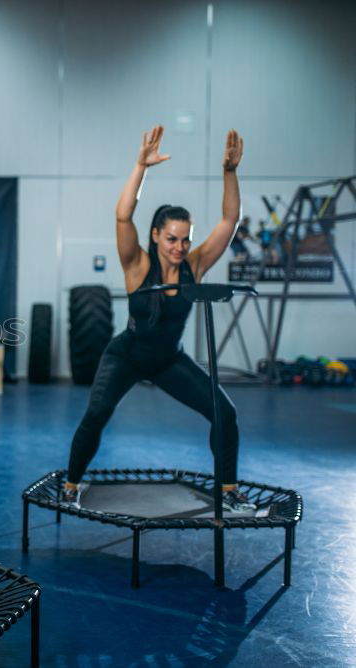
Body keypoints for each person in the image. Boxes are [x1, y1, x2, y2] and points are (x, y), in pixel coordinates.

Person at [63, 125, 256, 513]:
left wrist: (230, 172)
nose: (180, 247)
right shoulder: (137, 265)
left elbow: (230, 220)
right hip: (127, 355)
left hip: (169, 360)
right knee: (97, 413)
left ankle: (229, 490)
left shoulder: (195, 264)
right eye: (172, 238)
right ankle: (71, 484)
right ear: (155, 236)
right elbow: (122, 215)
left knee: (225, 413)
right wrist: (141, 166)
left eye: (185, 239)